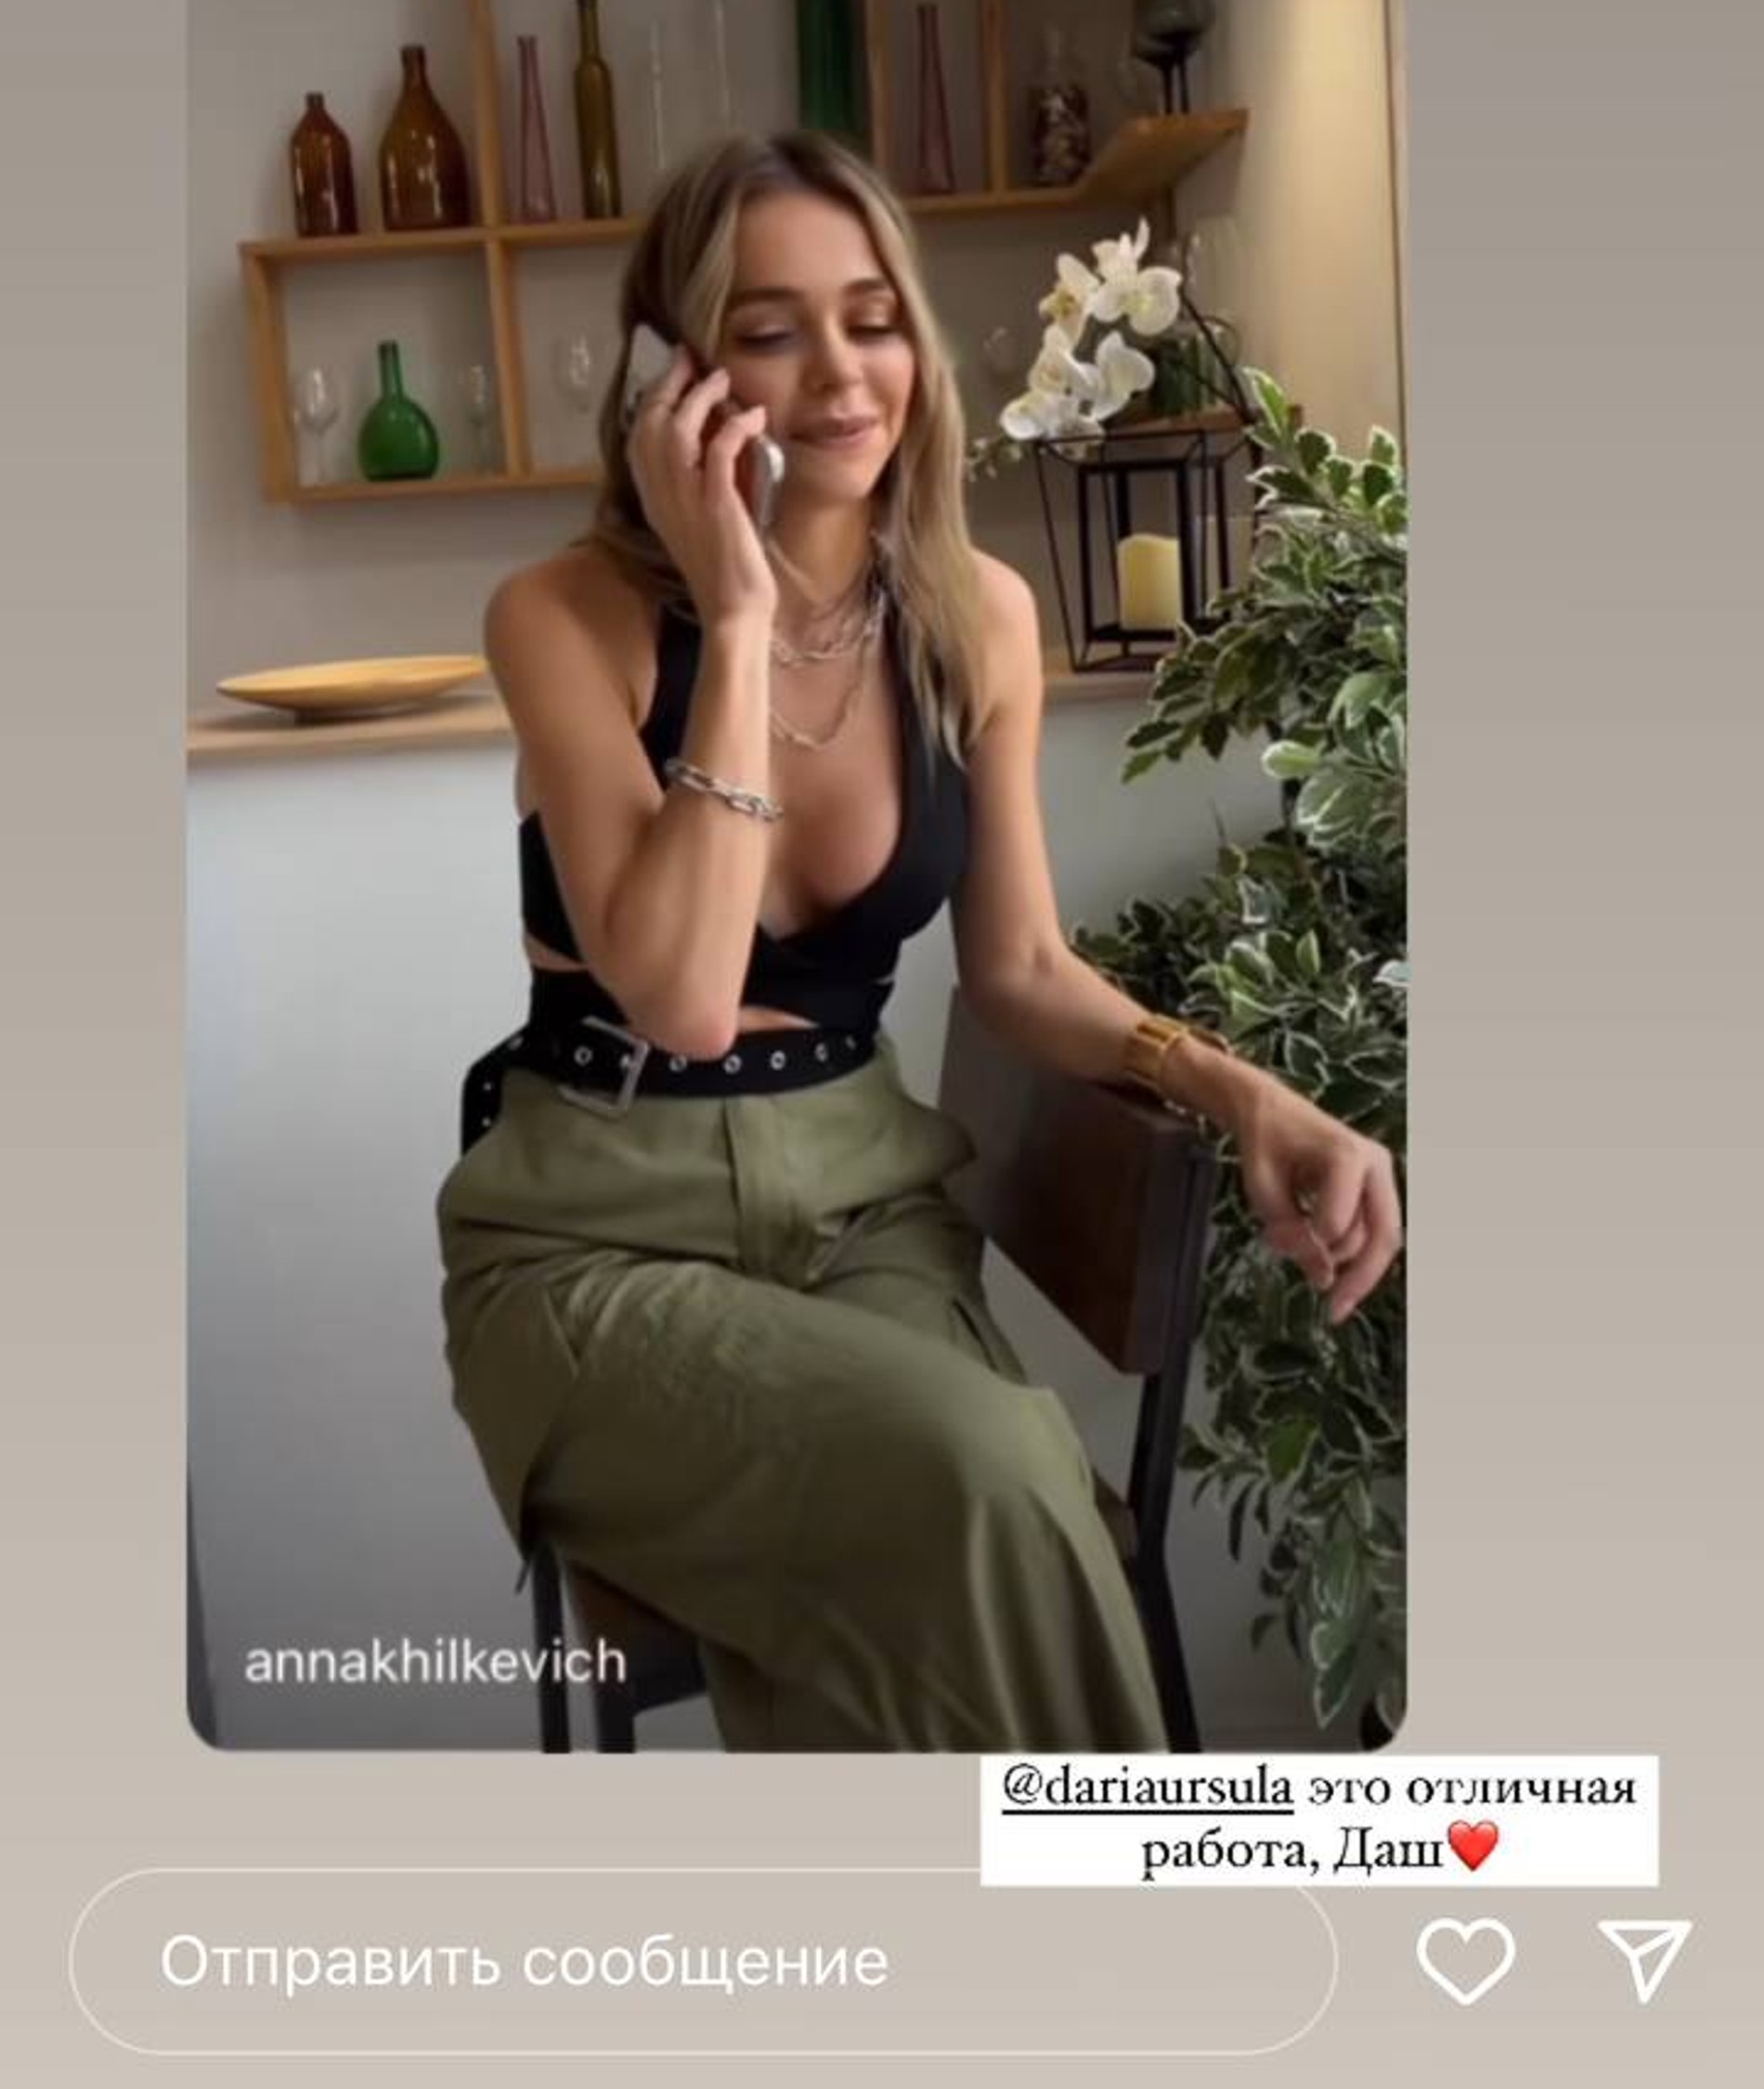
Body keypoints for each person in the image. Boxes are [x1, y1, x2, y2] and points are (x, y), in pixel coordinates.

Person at [435, 129, 1402, 1750]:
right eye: (768, 329)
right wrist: (737, 613)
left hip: (862, 1211)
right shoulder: (561, 617)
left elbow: (1019, 966)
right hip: (594, 1241)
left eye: (873, 318)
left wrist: (1247, 1092)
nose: (841, 373)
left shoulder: (979, 616)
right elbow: (684, 998)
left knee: (975, 1515)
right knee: (993, 1476)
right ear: (673, 375)